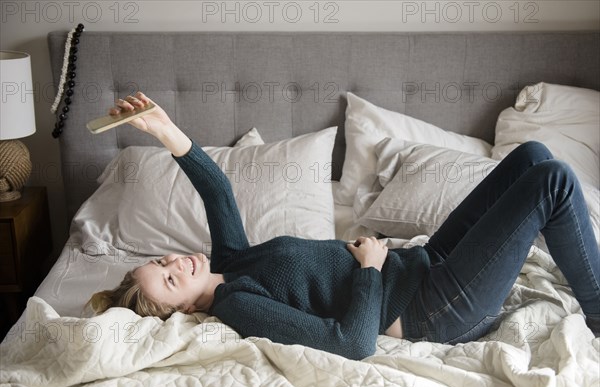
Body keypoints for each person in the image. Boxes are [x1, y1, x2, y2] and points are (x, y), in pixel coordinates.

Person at [89, 92, 600, 360]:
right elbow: (351, 344)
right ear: (181, 310)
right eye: (172, 279)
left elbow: (217, 191)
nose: (177, 262)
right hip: (432, 310)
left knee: (533, 155)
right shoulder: (238, 305)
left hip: (426, 264)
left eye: (162, 261)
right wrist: (370, 270)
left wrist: (161, 126)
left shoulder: (229, 264)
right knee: (552, 181)